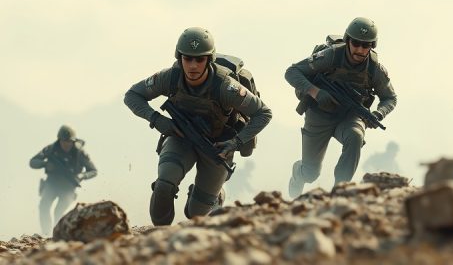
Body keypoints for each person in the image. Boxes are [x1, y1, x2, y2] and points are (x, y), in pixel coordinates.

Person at [124, 27, 272, 225]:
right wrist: (156, 119)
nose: (193, 65)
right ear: (179, 58)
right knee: (164, 185)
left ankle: (216, 196)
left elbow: (263, 113)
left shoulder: (226, 86)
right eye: (187, 59)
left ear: (209, 60)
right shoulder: (171, 77)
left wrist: (236, 142)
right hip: (180, 138)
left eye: (200, 59)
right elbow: (132, 95)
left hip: (217, 148)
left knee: (196, 215)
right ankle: (160, 237)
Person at [286, 17, 397, 198]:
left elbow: (390, 98)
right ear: (348, 41)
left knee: (356, 136)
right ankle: (298, 174)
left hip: (350, 116)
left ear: (372, 46)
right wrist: (316, 92)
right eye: (356, 43)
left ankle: (340, 190)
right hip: (320, 114)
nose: (360, 49)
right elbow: (292, 72)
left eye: (366, 45)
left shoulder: (374, 69)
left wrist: (379, 114)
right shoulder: (331, 56)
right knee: (310, 173)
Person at [29, 125, 98, 235]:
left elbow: (93, 171)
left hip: (69, 187)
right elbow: (33, 162)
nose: (66, 144)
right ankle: (46, 234)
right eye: (64, 141)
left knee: (59, 212)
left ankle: (58, 234)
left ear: (73, 141)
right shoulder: (51, 149)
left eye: (69, 141)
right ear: (59, 140)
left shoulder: (79, 152)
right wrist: (45, 164)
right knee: (44, 206)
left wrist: (82, 176)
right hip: (52, 183)